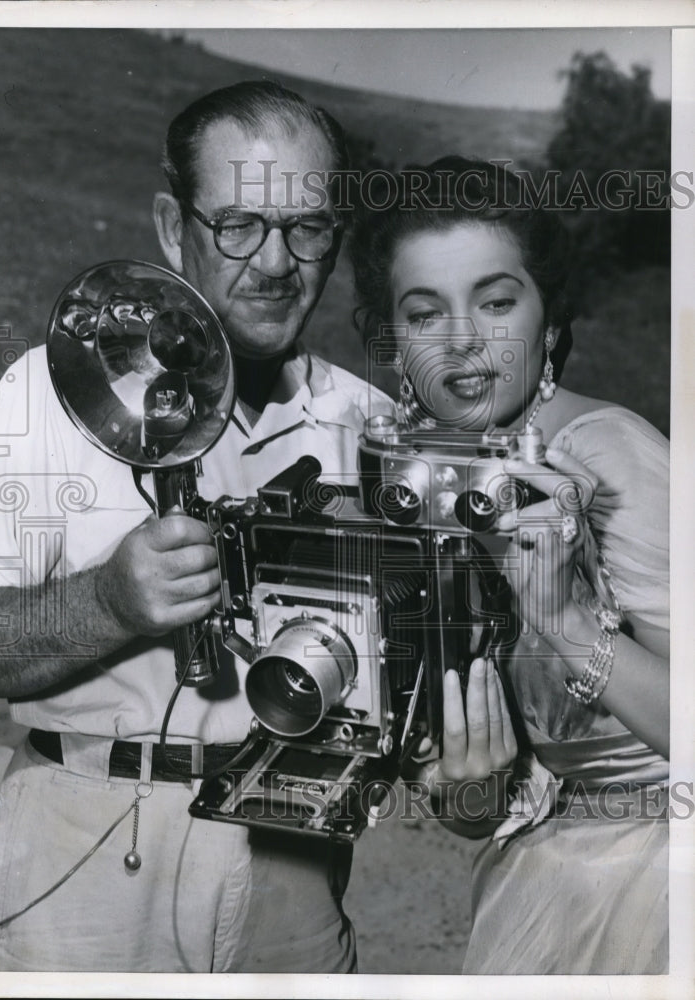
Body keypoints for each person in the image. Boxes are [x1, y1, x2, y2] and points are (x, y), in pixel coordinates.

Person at [0, 80, 394, 973]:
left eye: (308, 227)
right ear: (173, 227)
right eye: (238, 223)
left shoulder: (369, 424)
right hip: (89, 845)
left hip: (294, 853)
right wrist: (110, 604)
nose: (276, 263)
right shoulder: (46, 397)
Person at [350, 156, 669, 974]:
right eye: (426, 314)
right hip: (543, 873)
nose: (463, 340)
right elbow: (471, 802)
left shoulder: (606, 458)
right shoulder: (415, 480)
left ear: (550, 319)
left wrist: (564, 621)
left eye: (496, 302)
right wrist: (467, 787)